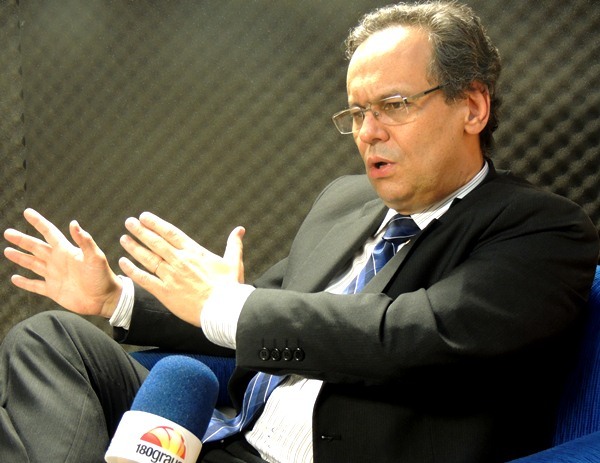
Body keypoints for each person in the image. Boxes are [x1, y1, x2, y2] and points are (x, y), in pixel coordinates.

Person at [2, 1, 599, 462]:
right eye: (358, 113)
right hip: (229, 436)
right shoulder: (344, 203)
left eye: (393, 105)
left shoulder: (542, 230)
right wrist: (115, 297)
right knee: (52, 339)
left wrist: (231, 304)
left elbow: (418, 334)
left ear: (472, 107)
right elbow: (252, 317)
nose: (369, 132)